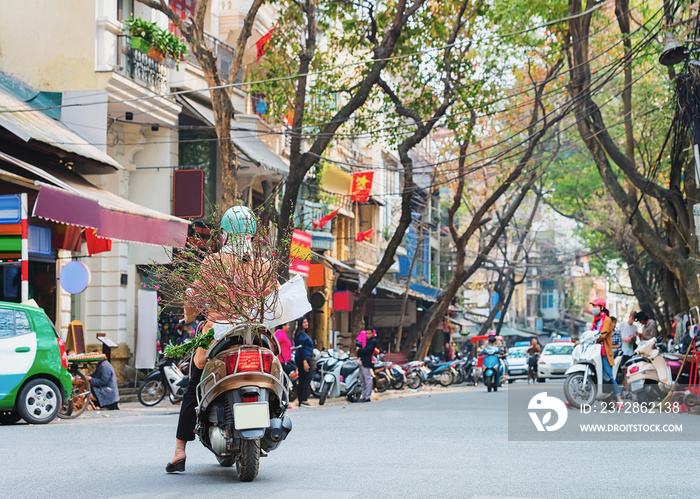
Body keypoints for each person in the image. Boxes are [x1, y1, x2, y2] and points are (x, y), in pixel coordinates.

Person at [167, 205, 259, 474]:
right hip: (256, 338)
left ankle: (179, 451)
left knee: (192, 387)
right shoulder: (262, 265)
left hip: (218, 337)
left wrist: (188, 309)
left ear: (225, 235)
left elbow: (192, 304)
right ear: (253, 235)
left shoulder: (213, 263)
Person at [591, 298, 622, 407]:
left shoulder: (607, 320)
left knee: (609, 375)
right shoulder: (595, 320)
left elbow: (603, 335)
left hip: (604, 353)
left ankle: (619, 399)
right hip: (594, 351)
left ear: (601, 308)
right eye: (593, 306)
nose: (593, 309)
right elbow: (591, 332)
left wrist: (592, 338)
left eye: (595, 306)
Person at [294, 316, 313, 408]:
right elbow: (301, 349)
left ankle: (301, 400)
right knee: (307, 378)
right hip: (304, 357)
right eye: (304, 322)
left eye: (307, 322)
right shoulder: (301, 335)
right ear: (301, 324)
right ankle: (304, 400)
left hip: (302, 357)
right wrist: (305, 361)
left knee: (302, 378)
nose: (306, 324)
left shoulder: (302, 334)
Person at [356, 329, 377, 403]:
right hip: (361, 362)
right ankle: (363, 395)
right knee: (362, 380)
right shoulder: (364, 340)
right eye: (367, 333)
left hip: (367, 362)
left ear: (372, 333)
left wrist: (360, 350)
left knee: (367, 379)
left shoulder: (373, 341)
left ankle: (367, 396)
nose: (368, 335)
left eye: (369, 333)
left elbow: (367, 350)